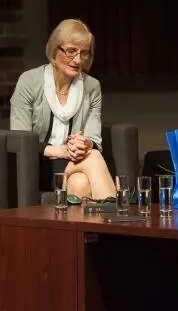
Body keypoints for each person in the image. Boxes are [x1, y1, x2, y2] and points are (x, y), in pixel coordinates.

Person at [10, 19, 117, 200]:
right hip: (37, 164)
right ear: (54, 49)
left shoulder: (92, 87)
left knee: (80, 183)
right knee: (93, 157)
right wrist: (61, 151)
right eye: (71, 51)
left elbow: (93, 140)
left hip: (75, 162)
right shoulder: (29, 82)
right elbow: (20, 139)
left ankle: (97, 219)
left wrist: (83, 144)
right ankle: (117, 212)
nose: (78, 60)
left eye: (84, 53)